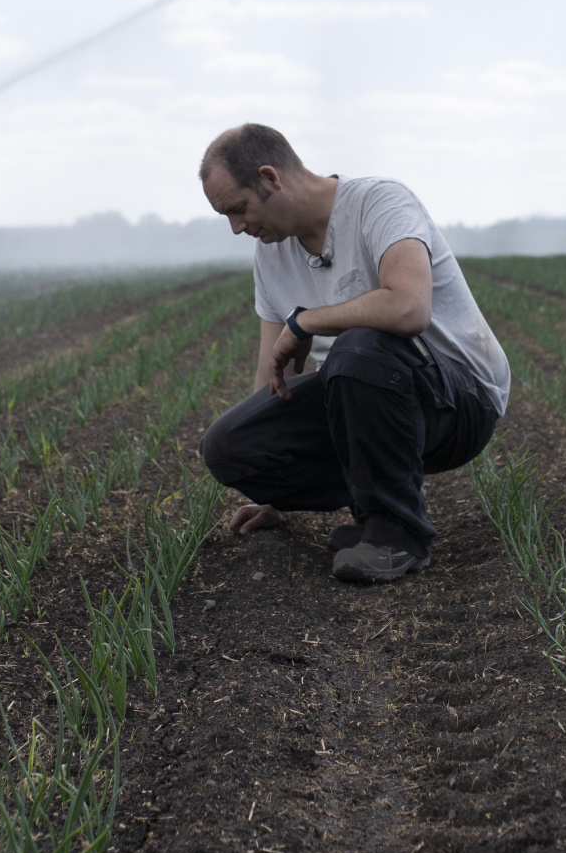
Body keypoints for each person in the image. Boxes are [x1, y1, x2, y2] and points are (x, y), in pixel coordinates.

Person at [195, 123, 510, 583]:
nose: (237, 227)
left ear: (270, 178)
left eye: (238, 209)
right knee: (228, 445)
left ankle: (397, 534)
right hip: (361, 404)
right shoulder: (271, 254)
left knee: (358, 347)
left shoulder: (379, 202)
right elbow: (271, 379)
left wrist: (307, 320)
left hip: (458, 402)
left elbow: (408, 307)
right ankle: (374, 502)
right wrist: (272, 492)